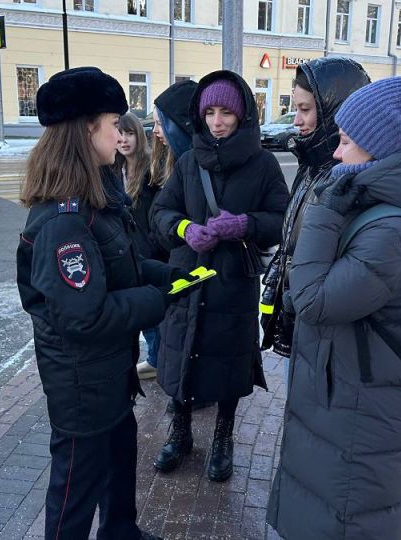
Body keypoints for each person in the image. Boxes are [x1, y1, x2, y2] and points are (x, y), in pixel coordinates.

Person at [266, 77, 401, 538]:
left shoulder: (391, 229)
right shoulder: (380, 203)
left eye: (347, 142)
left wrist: (325, 212)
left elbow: (313, 299)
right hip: (346, 392)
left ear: (382, 146)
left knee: (347, 519)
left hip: (360, 407)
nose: (335, 153)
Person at [16, 66, 194, 540]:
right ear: (86, 129)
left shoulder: (96, 199)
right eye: (114, 123)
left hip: (108, 374)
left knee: (119, 462)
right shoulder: (63, 221)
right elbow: (85, 316)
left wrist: (175, 277)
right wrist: (158, 298)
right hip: (82, 386)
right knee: (75, 492)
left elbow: (124, 265)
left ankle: (121, 532)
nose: (121, 133)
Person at [150, 71, 289, 482]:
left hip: (233, 281)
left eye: (226, 111)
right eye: (209, 112)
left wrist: (243, 223)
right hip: (188, 278)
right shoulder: (190, 161)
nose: (216, 121)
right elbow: (160, 212)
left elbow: (283, 219)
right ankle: (180, 433)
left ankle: (223, 437)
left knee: (228, 363)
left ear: (242, 113)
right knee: (181, 354)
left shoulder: (263, 164)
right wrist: (185, 229)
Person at [260, 57, 371, 360]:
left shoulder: (347, 179)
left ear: (334, 111)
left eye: (305, 109)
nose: (296, 120)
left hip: (323, 332)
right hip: (299, 320)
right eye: (296, 108)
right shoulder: (311, 166)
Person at [135, 80, 197, 380]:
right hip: (166, 260)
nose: (155, 132)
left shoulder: (191, 164)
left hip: (184, 264)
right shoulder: (167, 161)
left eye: (161, 124)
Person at [114, 112, 165, 382]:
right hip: (124, 252)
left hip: (148, 252)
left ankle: (158, 360)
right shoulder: (113, 167)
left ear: (138, 135)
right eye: (119, 134)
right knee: (136, 312)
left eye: (129, 133)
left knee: (152, 312)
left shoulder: (151, 169)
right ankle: (153, 358)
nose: (123, 140)